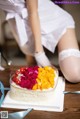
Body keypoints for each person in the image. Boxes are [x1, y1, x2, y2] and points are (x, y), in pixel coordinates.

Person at [0, 0, 80, 83]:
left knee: (74, 75)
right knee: (35, 77)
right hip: (24, 27)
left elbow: (33, 12)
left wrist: (39, 54)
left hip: (52, 20)